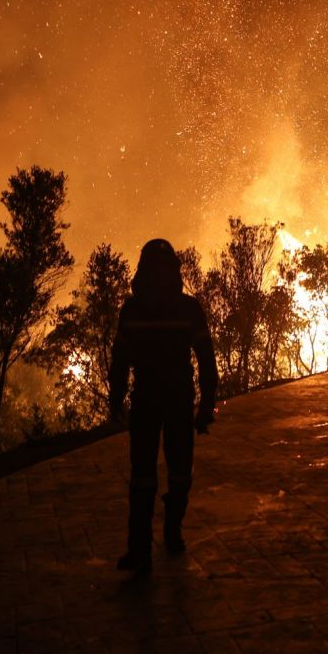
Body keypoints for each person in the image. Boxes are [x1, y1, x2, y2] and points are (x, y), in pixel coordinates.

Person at [108, 238, 219, 573]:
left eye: (162, 269)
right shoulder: (153, 309)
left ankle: (170, 531)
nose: (158, 276)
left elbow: (206, 360)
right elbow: (120, 361)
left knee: (177, 472)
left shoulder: (184, 309)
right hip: (155, 403)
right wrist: (116, 400)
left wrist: (206, 405)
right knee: (145, 477)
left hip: (173, 403)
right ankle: (142, 548)